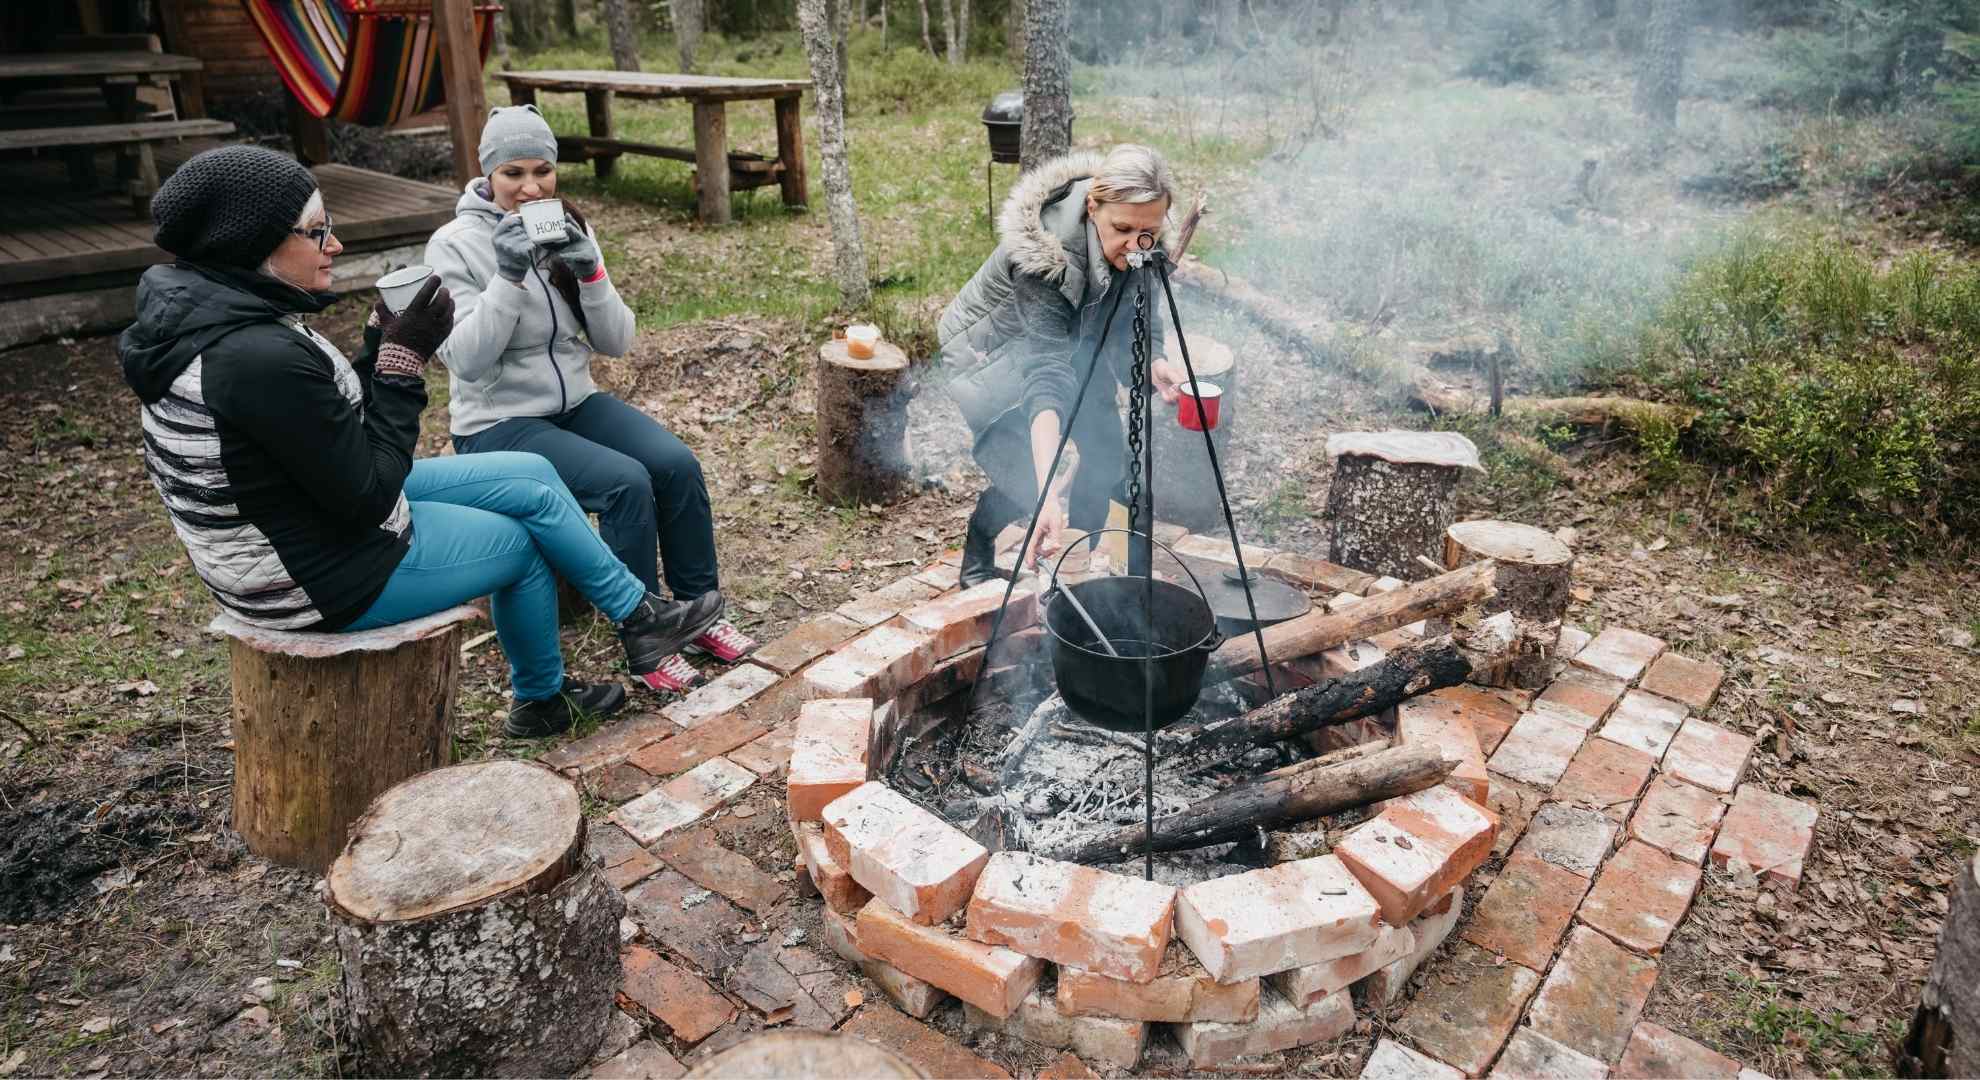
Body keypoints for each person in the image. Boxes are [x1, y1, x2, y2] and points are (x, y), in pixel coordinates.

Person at [119, 144, 712, 737]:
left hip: (302, 513)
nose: (335, 245)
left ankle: (641, 615)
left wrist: (379, 345)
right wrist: (402, 366)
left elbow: (317, 423)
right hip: (304, 575)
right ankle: (544, 698)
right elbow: (370, 494)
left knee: (530, 475)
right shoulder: (252, 355)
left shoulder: (219, 315)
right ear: (251, 245)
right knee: (524, 545)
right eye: (315, 231)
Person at [426, 105, 753, 695]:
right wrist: (508, 275)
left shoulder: (567, 225)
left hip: (575, 403)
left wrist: (592, 274)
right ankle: (645, 638)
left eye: (543, 171)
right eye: (513, 173)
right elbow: (465, 362)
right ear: (488, 175)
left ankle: (700, 610)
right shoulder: (454, 245)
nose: (531, 187)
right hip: (499, 421)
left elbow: (617, 341)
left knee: (675, 464)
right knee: (625, 482)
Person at [938, 144, 1190, 588]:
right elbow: (1046, 375)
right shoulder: (1045, 258)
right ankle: (978, 549)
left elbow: (1140, 307)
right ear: (1093, 206)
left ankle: (1077, 559)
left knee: (1108, 455)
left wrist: (1156, 361)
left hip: (1075, 339)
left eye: (1147, 231)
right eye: (1122, 228)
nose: (1135, 244)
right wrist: (1047, 493)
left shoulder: (1139, 242)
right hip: (992, 354)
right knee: (1026, 479)